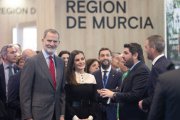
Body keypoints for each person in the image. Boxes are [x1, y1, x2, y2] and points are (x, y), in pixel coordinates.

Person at [20, 29, 65, 120]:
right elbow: (25, 92)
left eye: (55, 41)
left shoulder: (61, 62)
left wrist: (62, 114)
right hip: (37, 114)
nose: (52, 44)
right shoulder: (32, 61)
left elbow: (62, 91)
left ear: (58, 43)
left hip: (56, 114)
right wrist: (28, 117)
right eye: (49, 40)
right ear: (42, 40)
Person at [98, 43, 150, 120]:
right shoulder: (133, 70)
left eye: (126, 53)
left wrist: (113, 94)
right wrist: (107, 92)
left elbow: (135, 95)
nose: (122, 56)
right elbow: (124, 90)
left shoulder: (141, 70)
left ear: (135, 55)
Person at [138, 35, 175, 113]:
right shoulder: (166, 63)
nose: (145, 50)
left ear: (153, 49)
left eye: (146, 47)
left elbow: (158, 94)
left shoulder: (158, 67)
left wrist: (144, 102)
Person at [65, 50, 97, 120]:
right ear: (73, 63)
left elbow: (94, 100)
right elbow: (67, 101)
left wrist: (90, 117)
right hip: (73, 115)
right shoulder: (68, 78)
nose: (81, 62)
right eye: (77, 60)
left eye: (82, 59)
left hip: (89, 115)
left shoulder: (92, 77)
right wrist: (75, 118)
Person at [93, 47, 122, 120]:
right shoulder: (93, 75)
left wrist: (103, 92)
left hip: (112, 112)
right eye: (102, 55)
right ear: (99, 58)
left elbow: (120, 91)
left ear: (111, 58)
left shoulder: (118, 74)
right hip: (97, 113)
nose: (105, 57)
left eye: (107, 55)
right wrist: (112, 91)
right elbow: (92, 92)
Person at [8, 49, 36, 120]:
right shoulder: (15, 78)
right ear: (25, 60)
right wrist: (30, 108)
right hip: (22, 116)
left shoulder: (40, 75)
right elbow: (11, 101)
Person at [0, 44, 19, 120]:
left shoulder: (20, 70)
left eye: (16, 52)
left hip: (17, 110)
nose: (15, 55)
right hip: (2, 110)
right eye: (12, 53)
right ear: (4, 56)